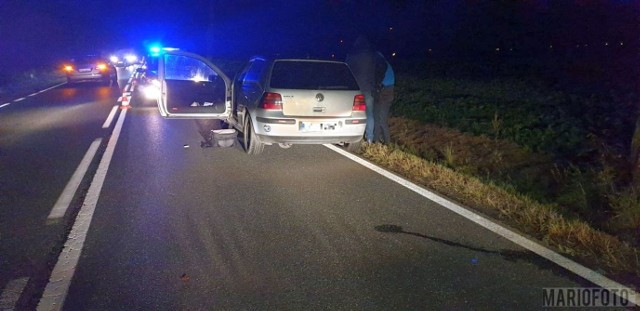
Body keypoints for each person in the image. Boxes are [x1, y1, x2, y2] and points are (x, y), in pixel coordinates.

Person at [346, 36, 387, 143]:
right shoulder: (372, 55)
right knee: (369, 113)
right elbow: (383, 65)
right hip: (369, 87)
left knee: (354, 113)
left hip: (355, 89)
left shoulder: (351, 56)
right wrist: (378, 81)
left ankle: (353, 134)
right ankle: (369, 137)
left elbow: (347, 71)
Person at [373, 52, 395, 144]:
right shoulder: (385, 63)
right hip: (387, 92)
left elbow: (378, 79)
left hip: (383, 92)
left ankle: (386, 142)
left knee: (380, 119)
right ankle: (379, 140)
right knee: (380, 118)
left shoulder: (380, 64)